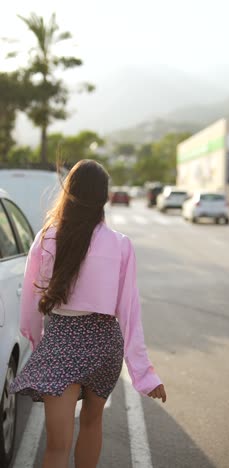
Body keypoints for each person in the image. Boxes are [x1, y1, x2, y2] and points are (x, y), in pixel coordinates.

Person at [10, 160, 166, 468]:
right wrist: (144, 375)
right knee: (93, 425)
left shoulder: (47, 237)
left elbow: (29, 302)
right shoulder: (120, 244)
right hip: (104, 343)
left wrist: (39, 343)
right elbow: (130, 313)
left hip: (60, 341)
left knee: (56, 445)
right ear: (104, 197)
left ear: (68, 193)